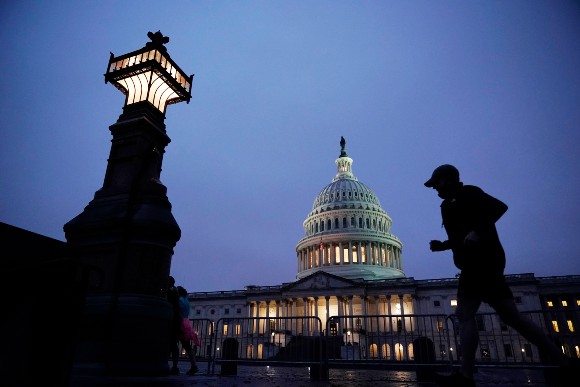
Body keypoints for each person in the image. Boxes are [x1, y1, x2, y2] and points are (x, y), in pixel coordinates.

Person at [424, 164, 568, 387]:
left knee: (464, 315)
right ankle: (565, 364)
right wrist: (443, 245)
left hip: (481, 263)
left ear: (448, 180)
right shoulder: (447, 205)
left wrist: (478, 231)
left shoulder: (469, 193)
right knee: (513, 318)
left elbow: (499, 207)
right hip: (477, 265)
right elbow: (462, 235)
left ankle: (465, 375)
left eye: (437, 184)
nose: (435, 189)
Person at [178, 286, 198, 375]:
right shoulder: (187, 301)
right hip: (186, 322)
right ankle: (194, 365)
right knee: (187, 346)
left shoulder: (180, 300)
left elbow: (178, 312)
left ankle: (174, 366)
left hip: (180, 322)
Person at [167, 276, 182, 375]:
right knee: (173, 345)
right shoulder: (176, 294)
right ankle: (175, 366)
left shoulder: (169, 293)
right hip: (176, 321)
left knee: (168, 344)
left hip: (169, 321)